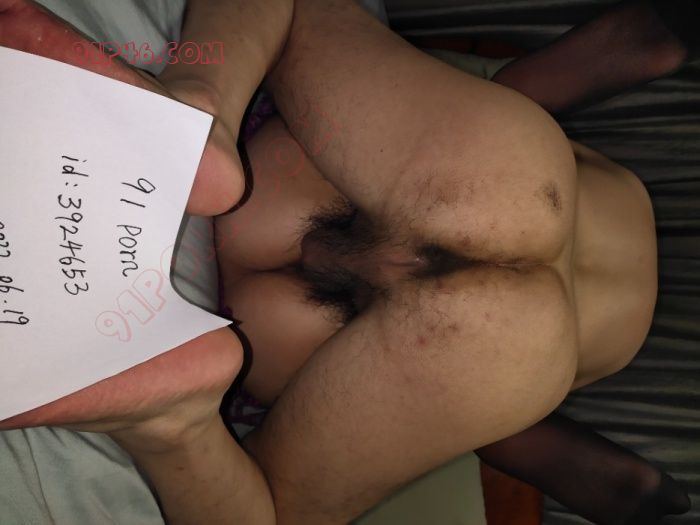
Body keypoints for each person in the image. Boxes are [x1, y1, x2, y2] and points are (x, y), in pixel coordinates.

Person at [0, 0, 694, 523]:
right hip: (500, 366)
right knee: (286, 506)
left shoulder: (579, 170)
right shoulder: (545, 371)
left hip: (505, 165)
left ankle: (206, 113)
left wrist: (209, 83)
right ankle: (174, 421)